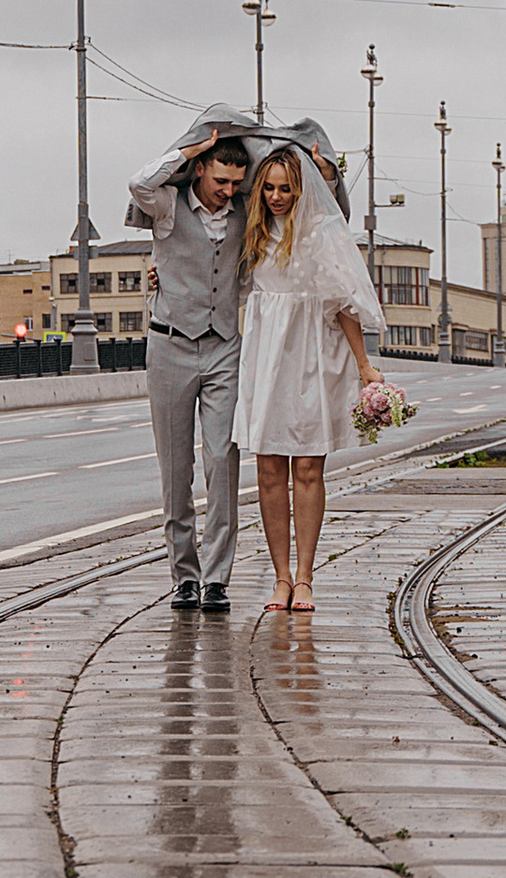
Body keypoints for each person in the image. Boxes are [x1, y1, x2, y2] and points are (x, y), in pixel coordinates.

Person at [237, 139, 383, 612]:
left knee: (307, 467)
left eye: (286, 190)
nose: (276, 198)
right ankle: (280, 578)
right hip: (266, 358)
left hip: (313, 356)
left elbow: (343, 303)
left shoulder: (321, 232)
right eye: (270, 189)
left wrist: (364, 365)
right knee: (268, 469)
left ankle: (304, 578)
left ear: (302, 191)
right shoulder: (254, 232)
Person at [126, 107, 258, 611]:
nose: (229, 191)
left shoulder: (246, 214)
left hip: (224, 343)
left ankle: (217, 577)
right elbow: (139, 181)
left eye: (235, 183)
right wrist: (191, 148)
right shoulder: (167, 206)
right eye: (221, 180)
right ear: (201, 169)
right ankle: (183, 574)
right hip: (170, 344)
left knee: (222, 459)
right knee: (176, 468)